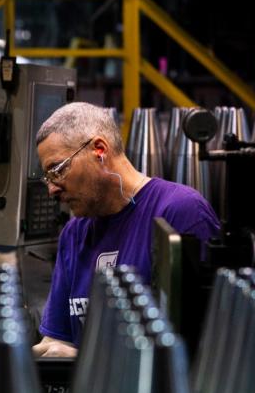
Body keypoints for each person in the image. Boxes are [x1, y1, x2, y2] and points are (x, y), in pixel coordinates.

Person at [31, 103, 219, 357]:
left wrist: (83, 362)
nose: (52, 189)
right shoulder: (74, 234)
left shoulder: (180, 214)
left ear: (99, 150)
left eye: (57, 170)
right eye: (48, 177)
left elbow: (202, 350)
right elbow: (58, 340)